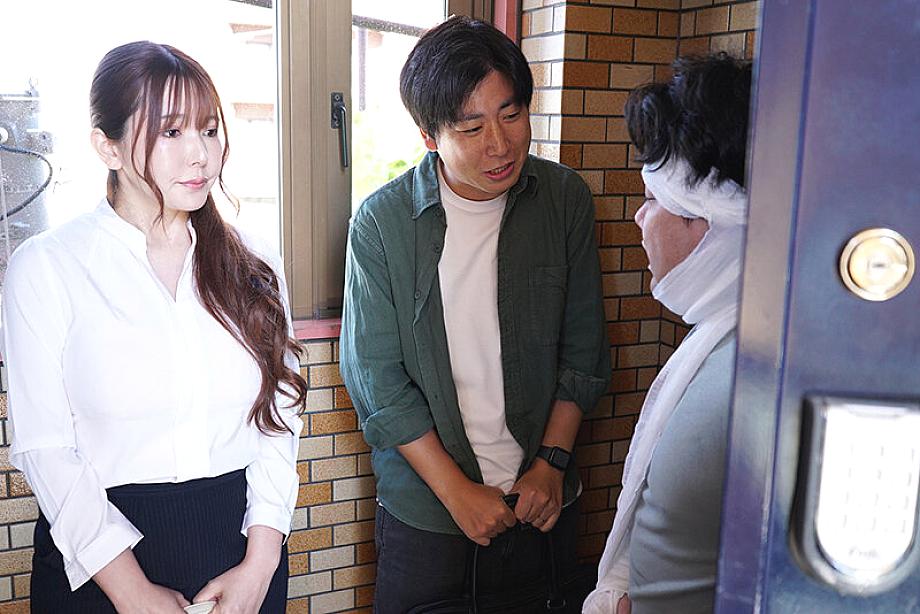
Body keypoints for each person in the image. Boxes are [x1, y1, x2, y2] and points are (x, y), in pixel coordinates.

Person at [2, 41, 307, 613]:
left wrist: (261, 564)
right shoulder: (47, 267)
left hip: (241, 554)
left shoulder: (255, 262)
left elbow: (278, 423)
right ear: (107, 146)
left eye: (209, 130)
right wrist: (133, 593)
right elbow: (46, 449)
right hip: (98, 562)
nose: (201, 155)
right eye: (171, 132)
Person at [339, 15, 611, 613]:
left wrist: (552, 463)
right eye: (471, 127)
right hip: (429, 514)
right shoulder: (382, 224)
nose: (500, 144)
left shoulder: (563, 199)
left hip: (544, 500)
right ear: (429, 136)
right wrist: (456, 492)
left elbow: (584, 348)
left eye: (511, 115)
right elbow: (376, 380)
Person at [583, 52, 753, 614]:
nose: (639, 217)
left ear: (711, 223)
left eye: (653, 199)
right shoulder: (723, 341)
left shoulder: (750, 377)